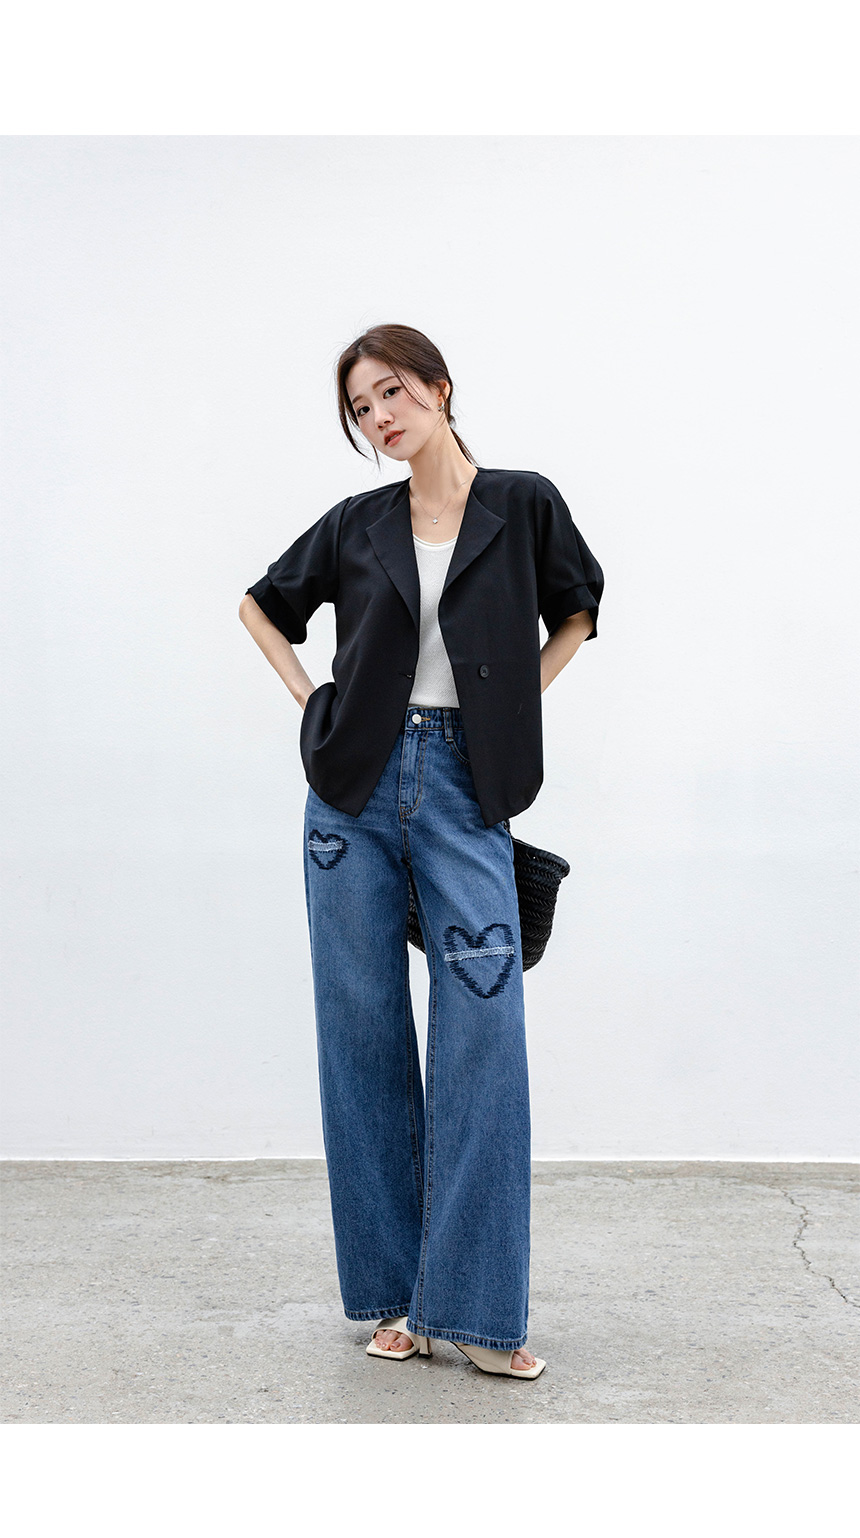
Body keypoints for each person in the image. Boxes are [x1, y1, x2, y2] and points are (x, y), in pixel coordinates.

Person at [239, 323, 604, 1379]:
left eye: (392, 392)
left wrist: (509, 707)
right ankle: (394, 1296)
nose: (379, 417)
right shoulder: (357, 524)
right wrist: (315, 702)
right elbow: (261, 608)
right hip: (347, 794)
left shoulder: (521, 503)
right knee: (360, 1036)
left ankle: (479, 1309)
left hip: (462, 785)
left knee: (482, 1033)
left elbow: (577, 610)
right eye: (361, 408)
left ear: (441, 388)